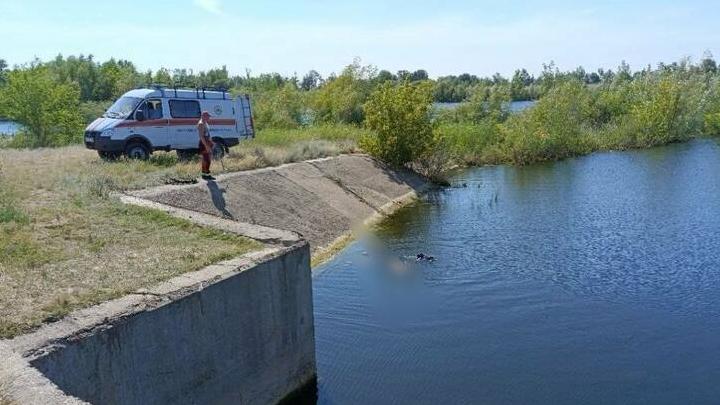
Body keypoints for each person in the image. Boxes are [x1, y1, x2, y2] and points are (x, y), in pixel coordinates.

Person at [197, 111, 214, 179]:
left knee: (206, 158)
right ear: (203, 116)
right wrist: (206, 146)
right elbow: (201, 136)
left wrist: (210, 141)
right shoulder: (201, 124)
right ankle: (206, 174)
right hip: (204, 143)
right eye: (207, 116)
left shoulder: (205, 123)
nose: (209, 118)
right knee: (206, 158)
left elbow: (207, 133)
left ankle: (204, 173)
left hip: (207, 141)